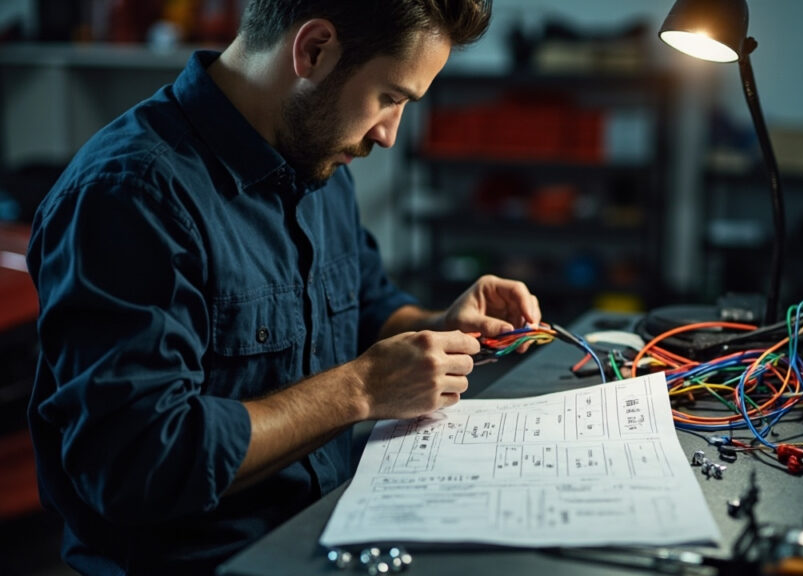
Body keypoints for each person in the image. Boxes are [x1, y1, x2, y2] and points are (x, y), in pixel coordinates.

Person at [26, 1, 541, 574]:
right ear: (314, 49)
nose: (389, 134)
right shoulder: (131, 196)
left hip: (332, 529)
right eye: (390, 98)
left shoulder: (316, 162)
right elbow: (140, 462)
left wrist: (439, 326)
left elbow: (368, 305)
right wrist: (362, 390)